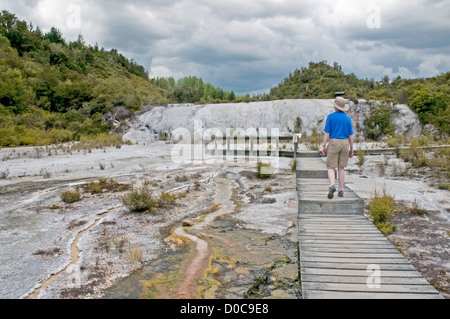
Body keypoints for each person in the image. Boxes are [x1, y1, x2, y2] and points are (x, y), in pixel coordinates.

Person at [322, 97, 354, 199]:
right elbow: (351, 135)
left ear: (335, 106)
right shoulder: (347, 118)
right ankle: (341, 189)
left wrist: (324, 145)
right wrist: (351, 148)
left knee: (331, 167)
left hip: (334, 142)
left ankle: (332, 185)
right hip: (345, 143)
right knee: (341, 167)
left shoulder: (331, 117)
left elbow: (327, 133)